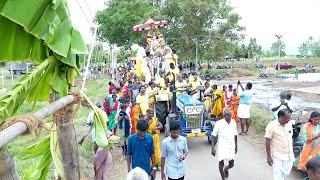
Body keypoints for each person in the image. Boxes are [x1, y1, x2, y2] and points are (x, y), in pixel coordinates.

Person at [265, 109, 294, 180]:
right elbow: (267, 141)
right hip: (277, 155)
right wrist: (269, 156)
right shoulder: (271, 126)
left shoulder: (289, 125)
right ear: (280, 117)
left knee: (286, 173)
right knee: (277, 174)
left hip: (289, 154)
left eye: (289, 118)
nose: (288, 120)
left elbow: (290, 137)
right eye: (287, 118)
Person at [211, 109, 238, 180]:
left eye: (230, 116)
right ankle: (223, 178)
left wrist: (236, 146)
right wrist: (212, 148)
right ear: (224, 116)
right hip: (222, 145)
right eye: (228, 116)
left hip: (231, 145)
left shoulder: (233, 122)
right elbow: (213, 135)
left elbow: (235, 134)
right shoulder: (219, 123)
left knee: (232, 164)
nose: (230, 117)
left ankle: (226, 168)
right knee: (221, 162)